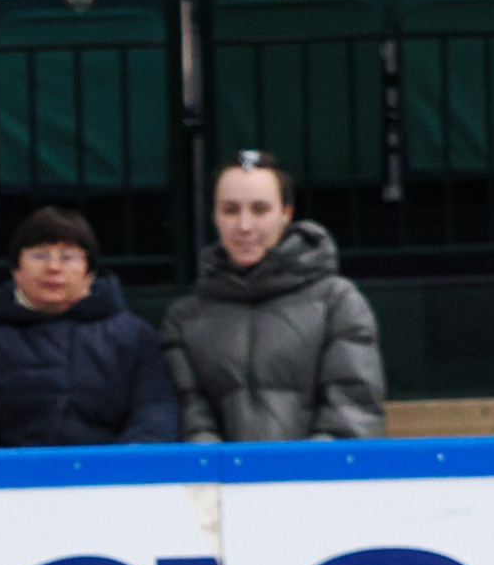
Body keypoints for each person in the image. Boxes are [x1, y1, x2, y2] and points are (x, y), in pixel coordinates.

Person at [158, 150, 387, 443]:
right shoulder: (185, 318)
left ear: (286, 213)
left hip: (315, 482)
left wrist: (296, 477)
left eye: (260, 210)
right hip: (223, 484)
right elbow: (192, 419)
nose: (244, 226)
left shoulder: (337, 301)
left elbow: (353, 411)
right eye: (230, 210)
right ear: (214, 216)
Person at [0, 206, 176, 450]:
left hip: (110, 481)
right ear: (16, 270)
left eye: (68, 257)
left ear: (89, 273)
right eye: (39, 255)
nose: (54, 267)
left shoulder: (134, 336)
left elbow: (155, 414)